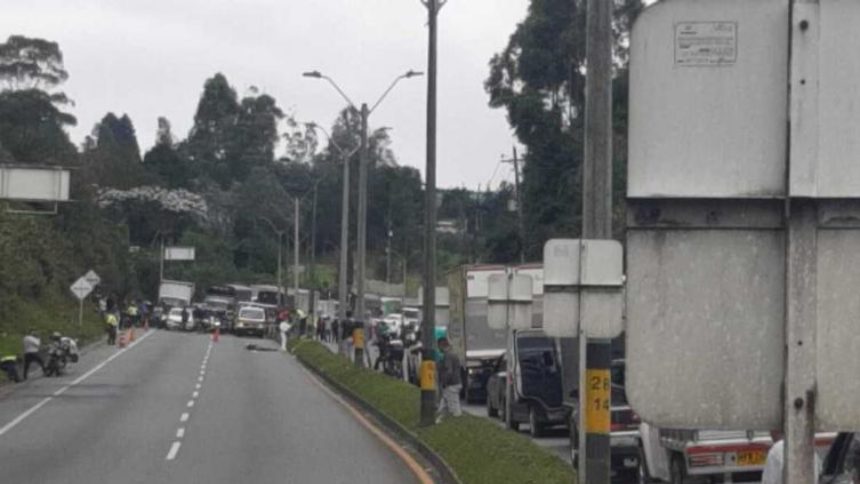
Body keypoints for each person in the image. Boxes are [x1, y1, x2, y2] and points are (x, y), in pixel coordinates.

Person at [436, 337, 463, 423]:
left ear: (441, 345)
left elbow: (449, 371)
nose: (438, 349)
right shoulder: (453, 354)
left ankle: (457, 424)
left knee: (454, 410)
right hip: (454, 383)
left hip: (451, 385)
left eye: (438, 346)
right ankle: (439, 422)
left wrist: (444, 382)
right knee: (443, 408)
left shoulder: (448, 355)